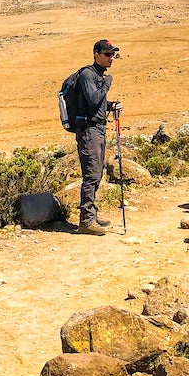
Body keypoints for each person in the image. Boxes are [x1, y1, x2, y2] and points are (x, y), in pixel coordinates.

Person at [75, 39, 121, 235]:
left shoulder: (98, 76)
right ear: (96, 55)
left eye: (112, 54)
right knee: (91, 175)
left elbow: (97, 102)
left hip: (99, 129)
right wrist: (107, 85)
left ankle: (91, 215)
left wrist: (110, 105)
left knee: (98, 173)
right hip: (88, 131)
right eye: (107, 54)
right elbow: (93, 100)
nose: (111, 58)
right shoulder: (87, 74)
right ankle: (86, 221)